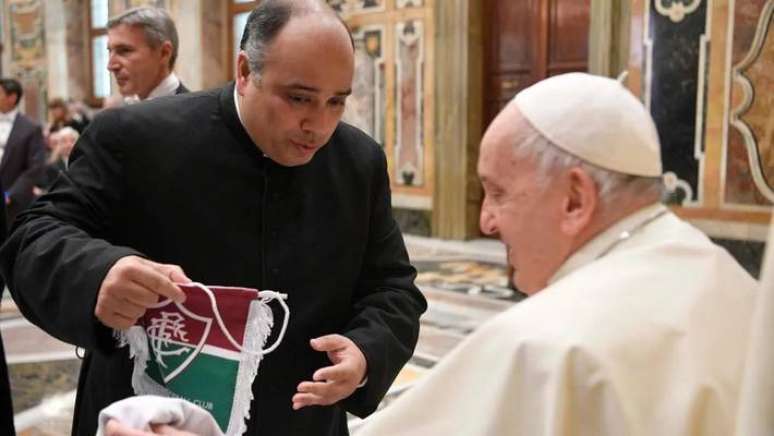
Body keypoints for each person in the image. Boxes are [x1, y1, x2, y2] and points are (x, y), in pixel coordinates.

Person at [0, 1, 426, 435]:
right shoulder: (133, 138)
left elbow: (392, 287)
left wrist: (367, 351)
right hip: (150, 423)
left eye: (336, 102)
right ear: (244, 71)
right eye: (298, 98)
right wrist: (97, 274)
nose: (318, 124)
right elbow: (33, 238)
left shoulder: (358, 162)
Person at [356, 73, 756, 436]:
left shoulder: (549, 346)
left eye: (498, 193)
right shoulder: (732, 280)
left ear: (575, 199)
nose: (486, 222)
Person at [107, 7, 187, 103]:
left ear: (164, 53)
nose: (111, 66)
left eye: (124, 50)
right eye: (110, 51)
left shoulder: (197, 114)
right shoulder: (123, 109)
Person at [0, 78, 45, 227]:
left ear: (12, 98)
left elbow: (35, 168)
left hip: (14, 203)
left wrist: (10, 194)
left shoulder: (30, 128)